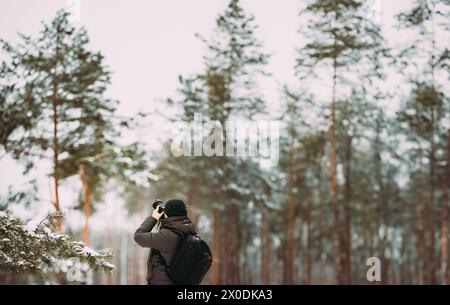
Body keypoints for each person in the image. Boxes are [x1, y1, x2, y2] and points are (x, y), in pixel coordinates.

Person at [133, 199, 196, 285]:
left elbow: (138, 237)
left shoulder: (167, 236)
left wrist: (154, 218)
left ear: (167, 214)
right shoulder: (189, 231)